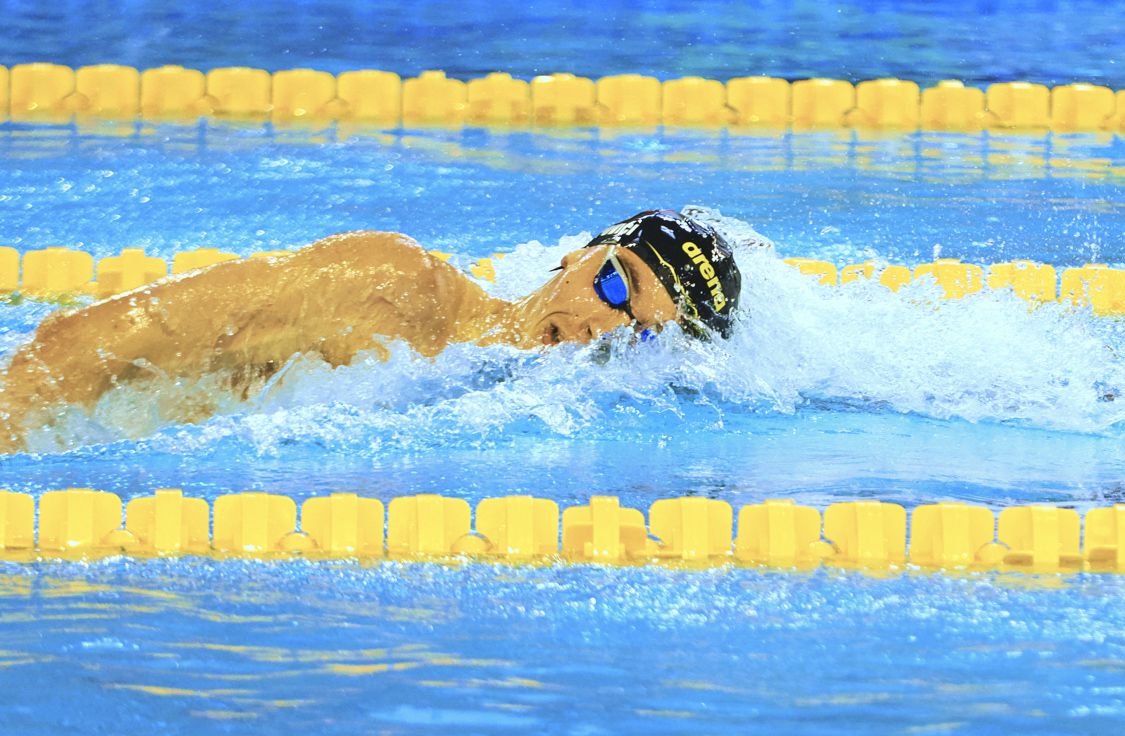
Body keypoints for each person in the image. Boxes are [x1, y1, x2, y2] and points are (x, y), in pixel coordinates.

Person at [0, 209, 740, 452]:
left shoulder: (540, 433)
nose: (602, 328)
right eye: (617, 285)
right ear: (581, 252)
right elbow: (69, 347)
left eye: (641, 334)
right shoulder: (388, 286)